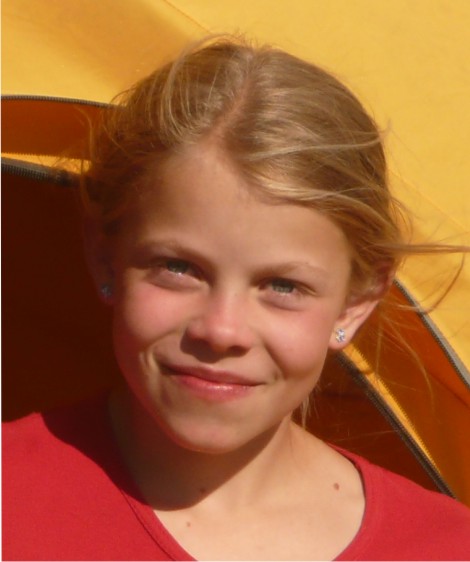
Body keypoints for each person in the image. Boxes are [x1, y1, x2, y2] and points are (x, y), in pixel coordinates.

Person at [3, 36, 470, 561]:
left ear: (355, 302)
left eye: (283, 286)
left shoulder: (447, 546)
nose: (222, 330)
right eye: (178, 268)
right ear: (105, 258)